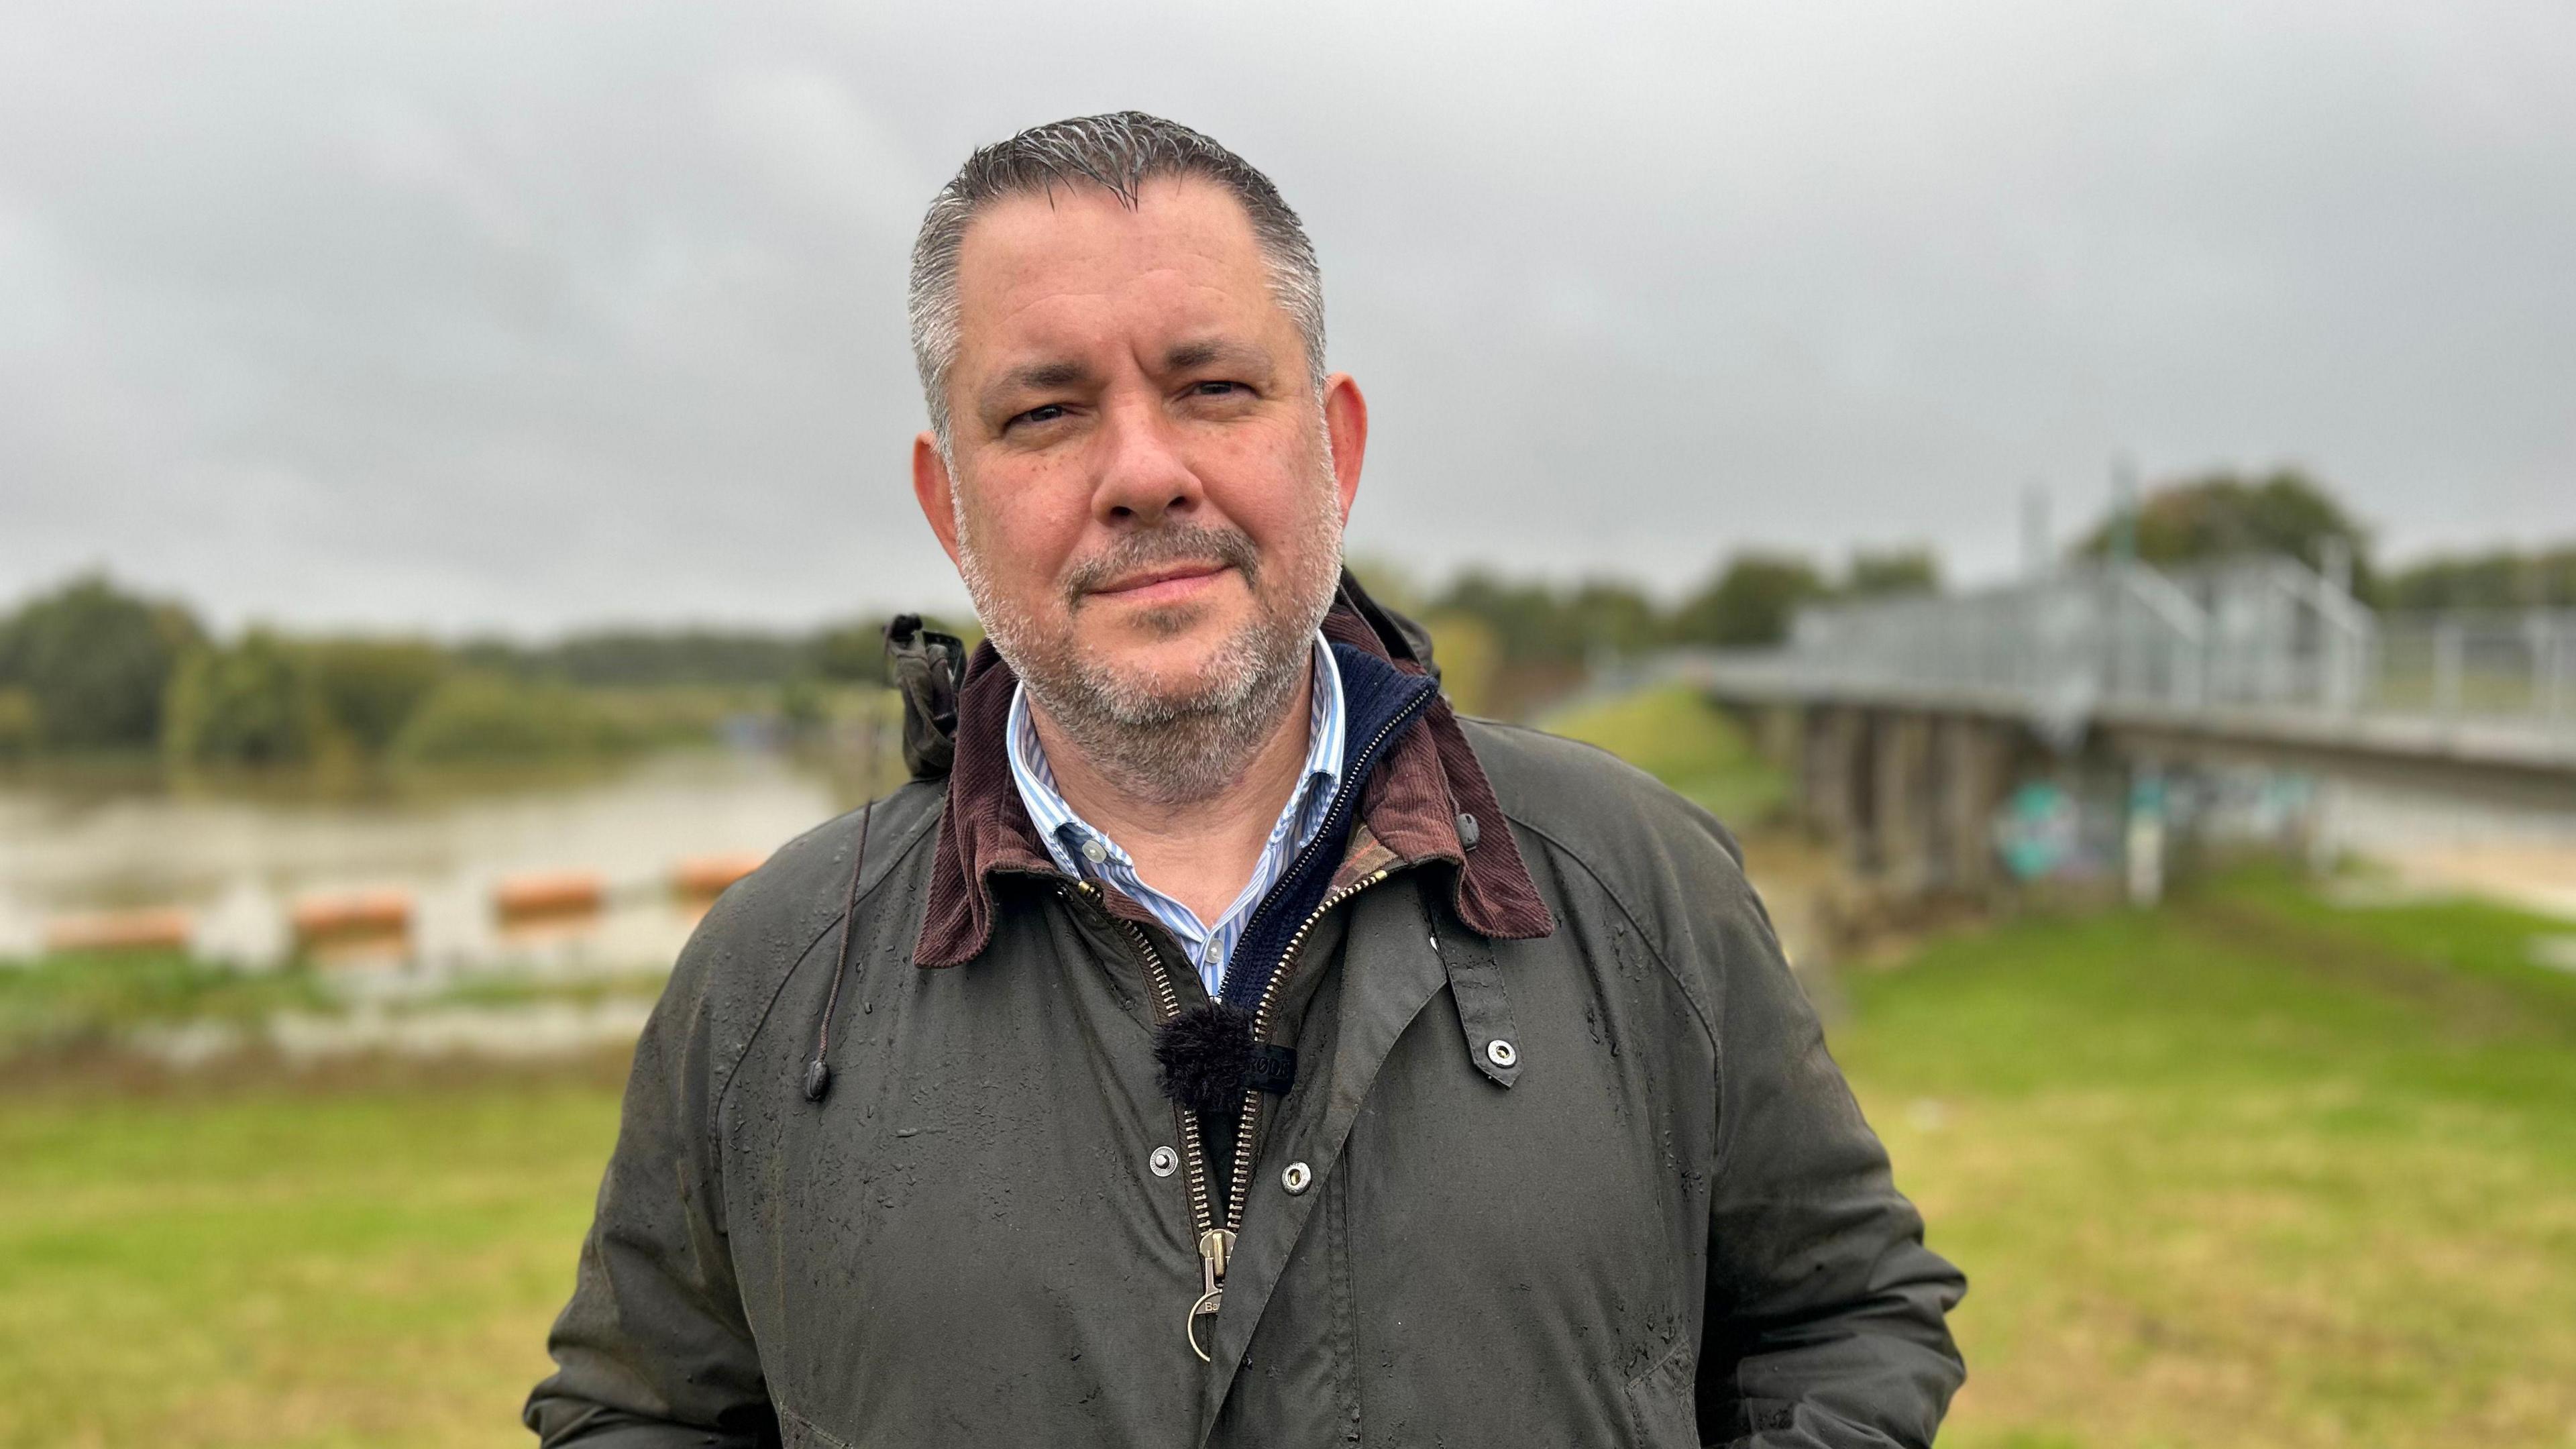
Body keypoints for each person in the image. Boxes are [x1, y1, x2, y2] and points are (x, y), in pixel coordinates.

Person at [525, 111, 1964, 1449]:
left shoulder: (1638, 883)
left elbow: (1844, 1316)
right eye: (1045, 414)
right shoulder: (774, 973)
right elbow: (633, 1406)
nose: (1145, 473)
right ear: (945, 504)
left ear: (1331, 446)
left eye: (1213, 389)